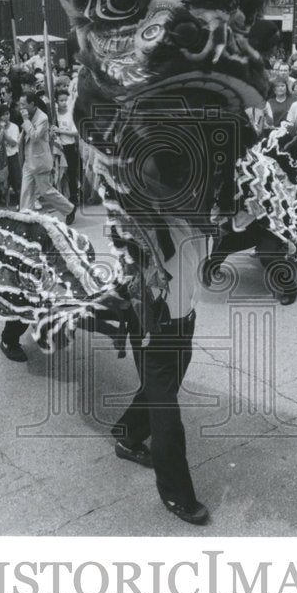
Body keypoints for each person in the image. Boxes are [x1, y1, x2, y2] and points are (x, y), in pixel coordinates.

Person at [111, 214, 210, 525]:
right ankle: (176, 493)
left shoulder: (196, 211)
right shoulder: (145, 217)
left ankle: (128, 436)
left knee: (163, 386)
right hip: (156, 324)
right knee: (165, 410)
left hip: (184, 320)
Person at [18, 93, 76, 223]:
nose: (21, 107)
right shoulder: (28, 115)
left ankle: (69, 209)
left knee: (46, 191)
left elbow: (34, 136)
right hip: (28, 160)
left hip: (40, 161)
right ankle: (25, 218)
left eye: (23, 104)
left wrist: (26, 120)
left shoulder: (42, 118)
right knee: (26, 191)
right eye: (20, 104)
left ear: (32, 104)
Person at [50, 89, 82, 209]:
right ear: (56, 102)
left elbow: (76, 132)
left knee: (71, 173)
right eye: (61, 100)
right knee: (58, 174)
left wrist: (61, 131)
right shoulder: (54, 114)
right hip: (58, 148)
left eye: (66, 100)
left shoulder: (71, 114)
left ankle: (74, 197)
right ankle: (61, 198)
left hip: (69, 147)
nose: (64, 103)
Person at [0, 105, 22, 205]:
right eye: (3, 115)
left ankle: (20, 204)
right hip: (0, 157)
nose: (6, 117)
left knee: (17, 182)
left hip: (12, 156)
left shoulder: (14, 127)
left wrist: (3, 132)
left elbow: (13, 142)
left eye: (7, 114)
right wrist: (1, 131)